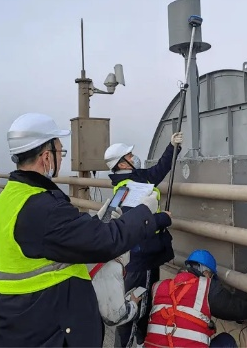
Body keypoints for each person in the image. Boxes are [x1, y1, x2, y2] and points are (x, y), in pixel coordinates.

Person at [0, 113, 172, 348]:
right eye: (60, 153)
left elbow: (56, 238)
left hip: (14, 321)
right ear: (46, 157)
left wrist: (89, 223)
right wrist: (147, 216)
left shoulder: (7, 201)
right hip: (50, 326)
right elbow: (105, 242)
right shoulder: (42, 208)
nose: (61, 159)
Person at [104, 133, 183, 347]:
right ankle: (134, 343)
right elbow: (137, 223)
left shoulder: (135, 179)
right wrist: (162, 218)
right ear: (122, 162)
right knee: (138, 307)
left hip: (140, 256)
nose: (134, 156)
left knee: (137, 304)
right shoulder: (130, 189)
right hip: (142, 257)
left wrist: (172, 147)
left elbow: (158, 171)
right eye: (130, 154)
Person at [144, 250, 247, 348]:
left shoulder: (159, 287)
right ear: (206, 273)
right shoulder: (205, 286)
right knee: (226, 341)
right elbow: (236, 309)